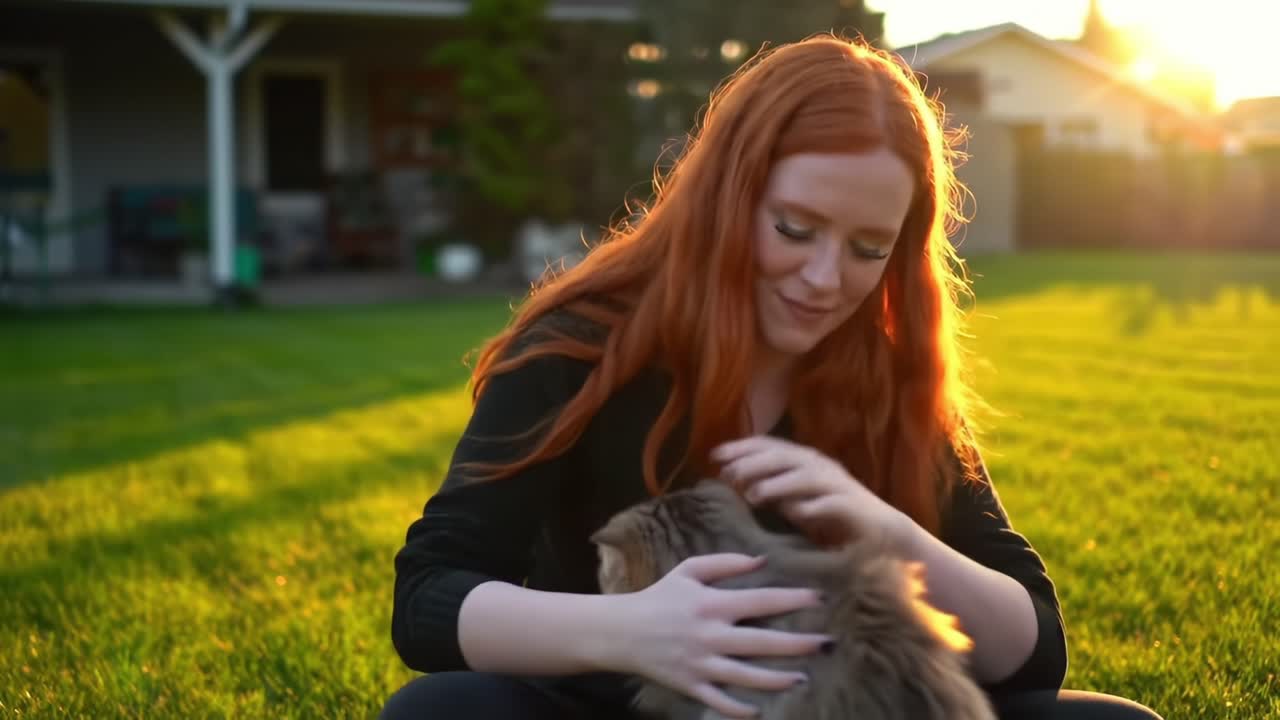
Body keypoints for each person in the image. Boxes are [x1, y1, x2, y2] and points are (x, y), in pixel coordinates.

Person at [381, 35, 1162, 720]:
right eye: (795, 229)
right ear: (728, 195)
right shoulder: (581, 347)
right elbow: (428, 598)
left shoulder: (887, 375)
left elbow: (1034, 651)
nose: (825, 278)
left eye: (867, 248)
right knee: (439, 711)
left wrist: (889, 532)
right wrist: (636, 632)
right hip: (613, 705)